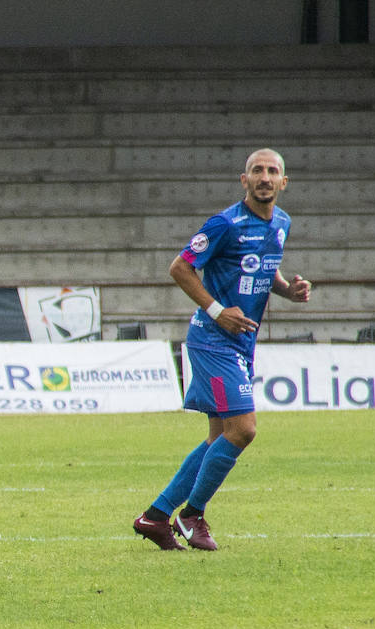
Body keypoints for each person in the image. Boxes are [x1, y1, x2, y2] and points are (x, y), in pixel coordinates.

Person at [132, 148, 312, 551]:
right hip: (213, 341)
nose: (265, 177)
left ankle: (156, 517)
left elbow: (267, 269)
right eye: (257, 171)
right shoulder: (224, 224)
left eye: (273, 171)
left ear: (284, 182)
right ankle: (192, 513)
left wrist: (289, 291)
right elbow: (180, 267)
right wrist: (216, 311)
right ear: (243, 180)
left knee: (219, 437)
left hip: (241, 343)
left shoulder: (281, 223)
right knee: (243, 430)